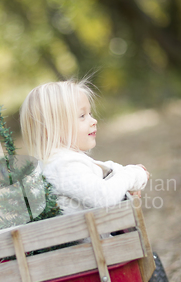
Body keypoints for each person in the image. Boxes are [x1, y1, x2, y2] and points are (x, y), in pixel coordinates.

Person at [20, 80, 150, 213]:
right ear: (51, 130)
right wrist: (131, 175)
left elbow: (100, 171)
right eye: (82, 116)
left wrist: (121, 174)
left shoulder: (60, 163)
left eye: (90, 114)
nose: (93, 121)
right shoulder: (64, 165)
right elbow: (104, 197)